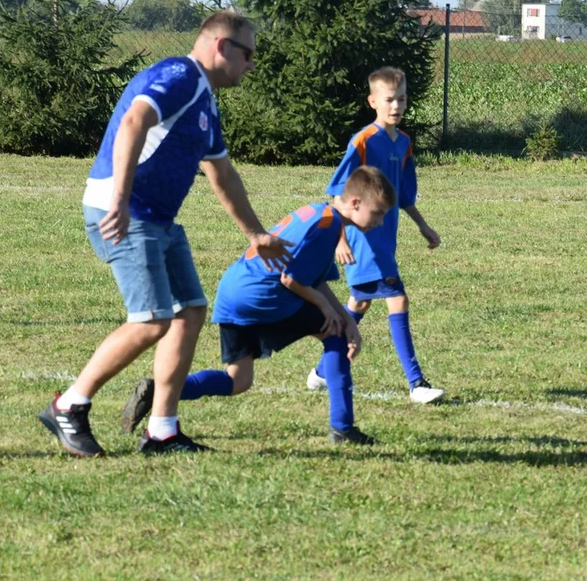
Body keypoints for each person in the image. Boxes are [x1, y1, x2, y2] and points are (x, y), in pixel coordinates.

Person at [38, 10, 293, 457]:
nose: (252, 63)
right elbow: (135, 120)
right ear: (221, 46)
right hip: (125, 212)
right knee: (152, 319)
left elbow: (222, 174)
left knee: (190, 312)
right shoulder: (180, 74)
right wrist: (119, 197)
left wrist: (255, 234)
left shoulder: (206, 100)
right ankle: (68, 405)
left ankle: (161, 430)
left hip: (157, 219)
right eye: (249, 53)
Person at [119, 166, 396, 447]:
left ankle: (158, 391)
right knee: (335, 335)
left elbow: (316, 280)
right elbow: (292, 280)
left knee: (238, 380)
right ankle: (343, 428)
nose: (381, 222)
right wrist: (330, 312)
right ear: (355, 203)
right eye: (378, 213)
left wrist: (344, 316)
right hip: (263, 296)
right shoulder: (327, 227)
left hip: (233, 293)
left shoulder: (319, 213)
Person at [306, 66, 445, 404]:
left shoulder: (404, 143)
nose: (396, 106)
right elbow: (339, 191)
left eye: (402, 99)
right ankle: (417, 383)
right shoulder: (364, 140)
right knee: (397, 298)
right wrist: (339, 238)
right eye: (389, 100)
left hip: (386, 237)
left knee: (361, 301)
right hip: (362, 237)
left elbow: (404, 194)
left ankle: (323, 370)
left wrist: (422, 225)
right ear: (373, 101)